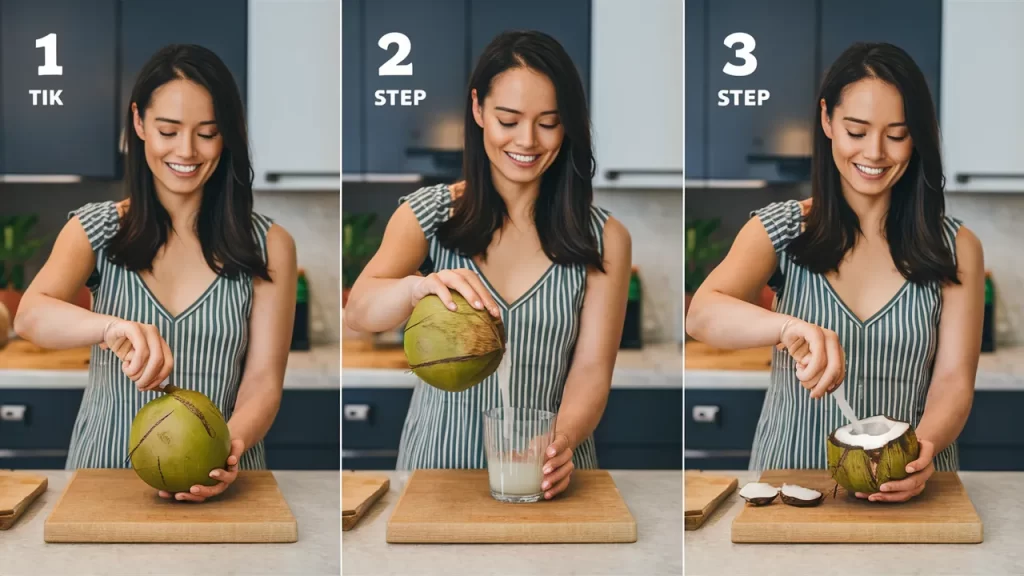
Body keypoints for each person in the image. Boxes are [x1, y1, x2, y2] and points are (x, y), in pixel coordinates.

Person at [685, 42, 984, 503]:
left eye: (898, 134)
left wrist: (923, 451)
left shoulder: (956, 248)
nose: (875, 152)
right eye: (857, 130)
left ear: (919, 136)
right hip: (793, 481)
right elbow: (701, 315)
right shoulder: (780, 229)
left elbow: (953, 380)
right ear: (827, 120)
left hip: (916, 487)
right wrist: (784, 326)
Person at [344, 31, 632, 500]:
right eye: (509, 119)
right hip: (435, 473)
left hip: (545, 476)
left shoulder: (604, 239)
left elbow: (592, 370)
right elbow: (358, 312)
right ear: (478, 109)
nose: (527, 141)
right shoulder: (429, 215)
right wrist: (415, 288)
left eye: (549, 122)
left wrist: (560, 443)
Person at [14, 44, 297, 502]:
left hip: (224, 483)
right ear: (140, 124)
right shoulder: (96, 228)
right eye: (168, 130)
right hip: (103, 477)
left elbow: (264, 381)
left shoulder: (269, 245)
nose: (186, 151)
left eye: (207, 133)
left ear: (227, 136)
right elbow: (29, 316)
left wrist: (226, 452)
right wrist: (109, 327)